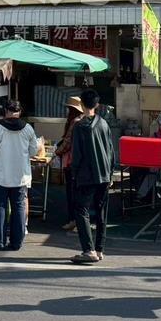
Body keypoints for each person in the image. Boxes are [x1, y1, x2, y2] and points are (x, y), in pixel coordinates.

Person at [0, 99, 39, 251]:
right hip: (20, 175)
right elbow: (34, 150)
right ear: (19, 112)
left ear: (6, 111)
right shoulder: (27, 129)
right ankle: (16, 242)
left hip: (0, 175)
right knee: (18, 207)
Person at [69, 89, 114, 265]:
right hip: (104, 173)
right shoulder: (104, 124)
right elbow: (111, 151)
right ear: (97, 105)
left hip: (86, 174)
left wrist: (74, 172)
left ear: (81, 104)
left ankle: (88, 249)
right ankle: (100, 249)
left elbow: (77, 154)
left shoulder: (80, 126)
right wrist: (110, 173)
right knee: (101, 211)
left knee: (81, 210)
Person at [54, 95, 84, 231]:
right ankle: (78, 219)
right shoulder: (85, 120)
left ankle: (73, 220)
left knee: (71, 192)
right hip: (81, 162)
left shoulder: (75, 122)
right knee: (79, 193)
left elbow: (67, 142)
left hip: (71, 161)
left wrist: (57, 152)